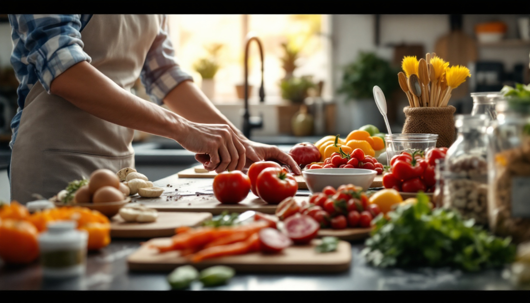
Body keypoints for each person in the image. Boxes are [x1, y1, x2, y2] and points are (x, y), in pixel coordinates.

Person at [8, 14, 301, 203]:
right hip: (54, 165)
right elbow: (64, 71)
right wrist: (182, 128)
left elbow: (164, 75)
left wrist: (241, 143)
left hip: (121, 170)